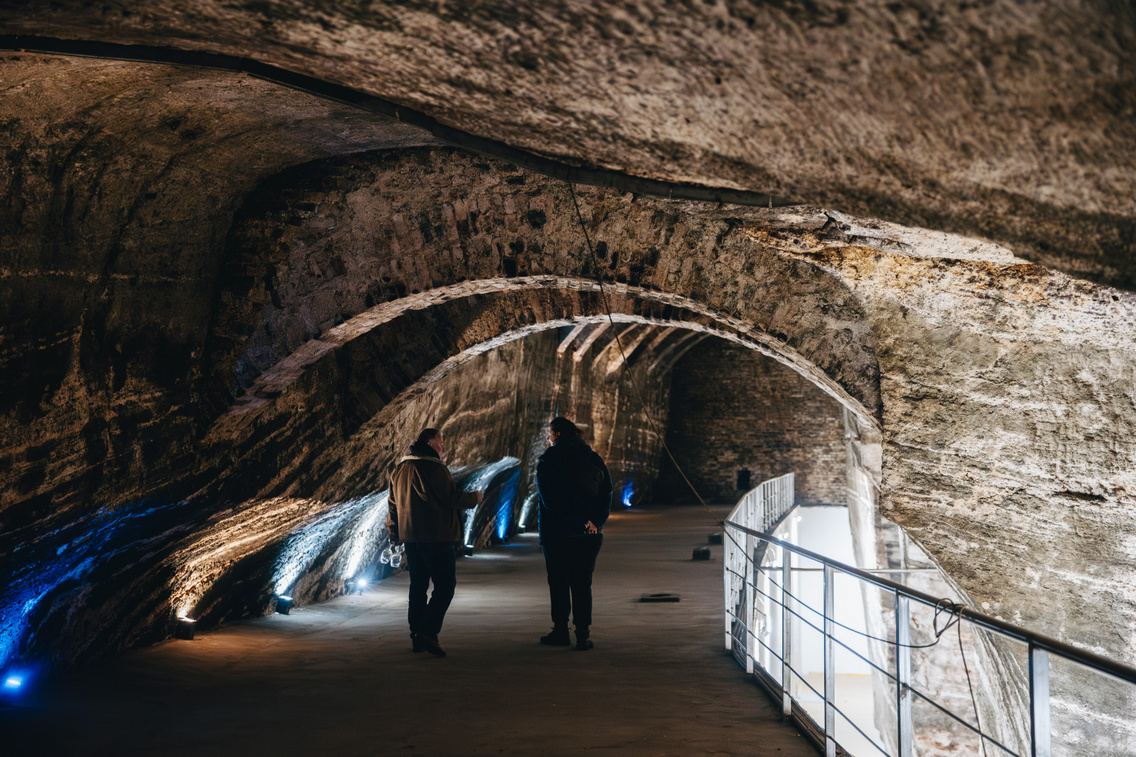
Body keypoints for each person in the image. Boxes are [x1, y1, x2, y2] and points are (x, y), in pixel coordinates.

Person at [388, 428, 482, 657]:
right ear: (429, 443)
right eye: (440, 442)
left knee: (418, 587)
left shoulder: (400, 469)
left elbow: (392, 504)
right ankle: (428, 632)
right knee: (445, 586)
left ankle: (416, 635)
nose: (443, 446)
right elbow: (450, 497)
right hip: (435, 536)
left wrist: (394, 533)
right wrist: (475, 498)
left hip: (411, 537)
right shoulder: (434, 467)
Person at [535, 416, 613, 651]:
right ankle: (582, 635)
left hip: (556, 533)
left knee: (558, 582)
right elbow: (606, 492)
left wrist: (566, 522)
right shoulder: (592, 457)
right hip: (585, 533)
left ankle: (560, 631)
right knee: (582, 583)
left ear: (557, 434)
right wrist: (593, 522)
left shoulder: (548, 461)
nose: (548, 437)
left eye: (550, 433)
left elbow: (548, 501)